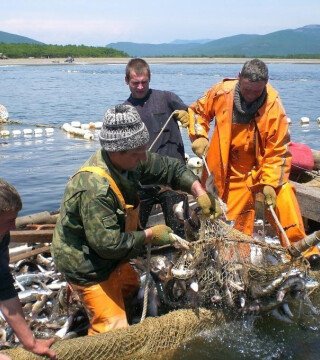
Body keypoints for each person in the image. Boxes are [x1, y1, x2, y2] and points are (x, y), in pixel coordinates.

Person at [52, 104, 221, 335]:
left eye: (142, 149)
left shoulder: (131, 159)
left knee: (131, 289)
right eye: (136, 153)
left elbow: (169, 168)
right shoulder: (94, 188)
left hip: (113, 256)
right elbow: (108, 245)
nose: (143, 157)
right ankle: (84, 297)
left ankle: (110, 299)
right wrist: (150, 235)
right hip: (86, 263)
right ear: (115, 151)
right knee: (114, 331)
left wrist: (199, 191)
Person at [179, 58, 320, 266]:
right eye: (247, 90)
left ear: (265, 84)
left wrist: (271, 183)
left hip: (261, 168)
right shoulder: (222, 91)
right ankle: (235, 265)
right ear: (239, 78)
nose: (251, 95)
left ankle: (304, 255)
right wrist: (199, 135)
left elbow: (278, 149)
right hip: (228, 169)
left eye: (257, 91)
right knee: (234, 226)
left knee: (284, 196)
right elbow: (197, 112)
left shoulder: (273, 104)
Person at [123, 58, 190, 237]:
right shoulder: (124, 111)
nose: (140, 87)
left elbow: (196, 116)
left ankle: (182, 258)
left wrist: (188, 115)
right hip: (141, 182)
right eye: (135, 82)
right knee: (134, 231)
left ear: (149, 79)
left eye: (144, 82)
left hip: (173, 179)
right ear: (126, 81)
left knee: (180, 229)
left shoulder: (167, 98)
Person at [0, 179, 56, 359]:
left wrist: (31, 343)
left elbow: (4, 287)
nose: (13, 226)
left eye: (15, 218)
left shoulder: (2, 236)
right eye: (9, 220)